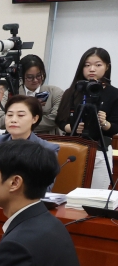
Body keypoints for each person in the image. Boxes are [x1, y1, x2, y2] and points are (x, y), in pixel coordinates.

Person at [56, 47, 117, 188]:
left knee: (96, 199)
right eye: (87, 65)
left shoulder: (114, 94)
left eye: (98, 65)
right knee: (67, 193)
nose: (92, 69)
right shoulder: (72, 91)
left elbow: (115, 127)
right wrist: (73, 128)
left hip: (100, 151)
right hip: (73, 149)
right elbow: (60, 120)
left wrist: (104, 123)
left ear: (107, 67)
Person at [0, 54, 64, 134]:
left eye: (39, 76)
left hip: (47, 140)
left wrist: (18, 122)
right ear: (21, 76)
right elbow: (0, 122)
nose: (35, 80)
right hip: (16, 141)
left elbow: (54, 120)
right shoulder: (11, 92)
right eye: (30, 77)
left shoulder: (55, 93)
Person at [0, 96, 61, 167]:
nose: (13, 120)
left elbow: (45, 182)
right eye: (9, 115)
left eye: (20, 115)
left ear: (34, 119)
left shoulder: (48, 149)